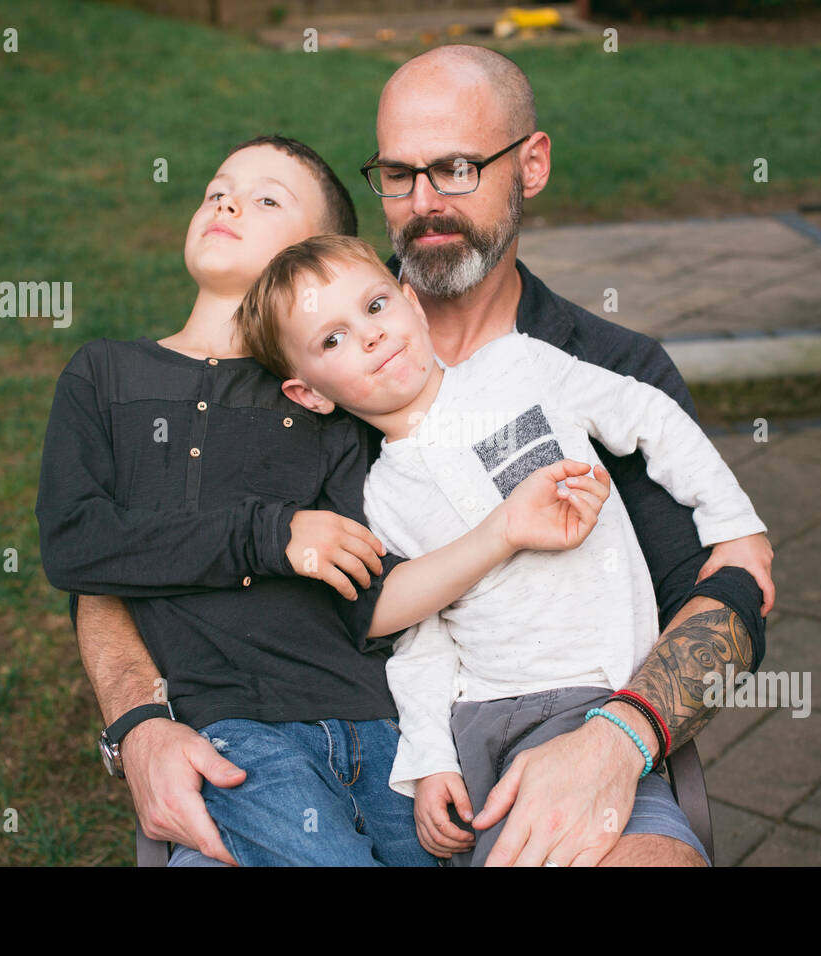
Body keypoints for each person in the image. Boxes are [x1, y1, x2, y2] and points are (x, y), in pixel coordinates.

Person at [73, 44, 776, 868]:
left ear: (532, 164)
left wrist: (614, 743)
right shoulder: (295, 371)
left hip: (574, 728)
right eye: (398, 175)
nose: (423, 202)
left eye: (455, 168)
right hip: (308, 762)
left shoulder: (594, 367)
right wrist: (138, 723)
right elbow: (122, 561)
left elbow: (732, 590)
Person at [234, 233, 769, 865]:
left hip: (591, 701)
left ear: (412, 301)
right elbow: (420, 635)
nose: (370, 336)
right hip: (478, 729)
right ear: (310, 393)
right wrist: (430, 759)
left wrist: (734, 523)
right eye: (332, 339)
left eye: (376, 307)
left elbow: (647, 415)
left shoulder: (518, 366)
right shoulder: (381, 498)